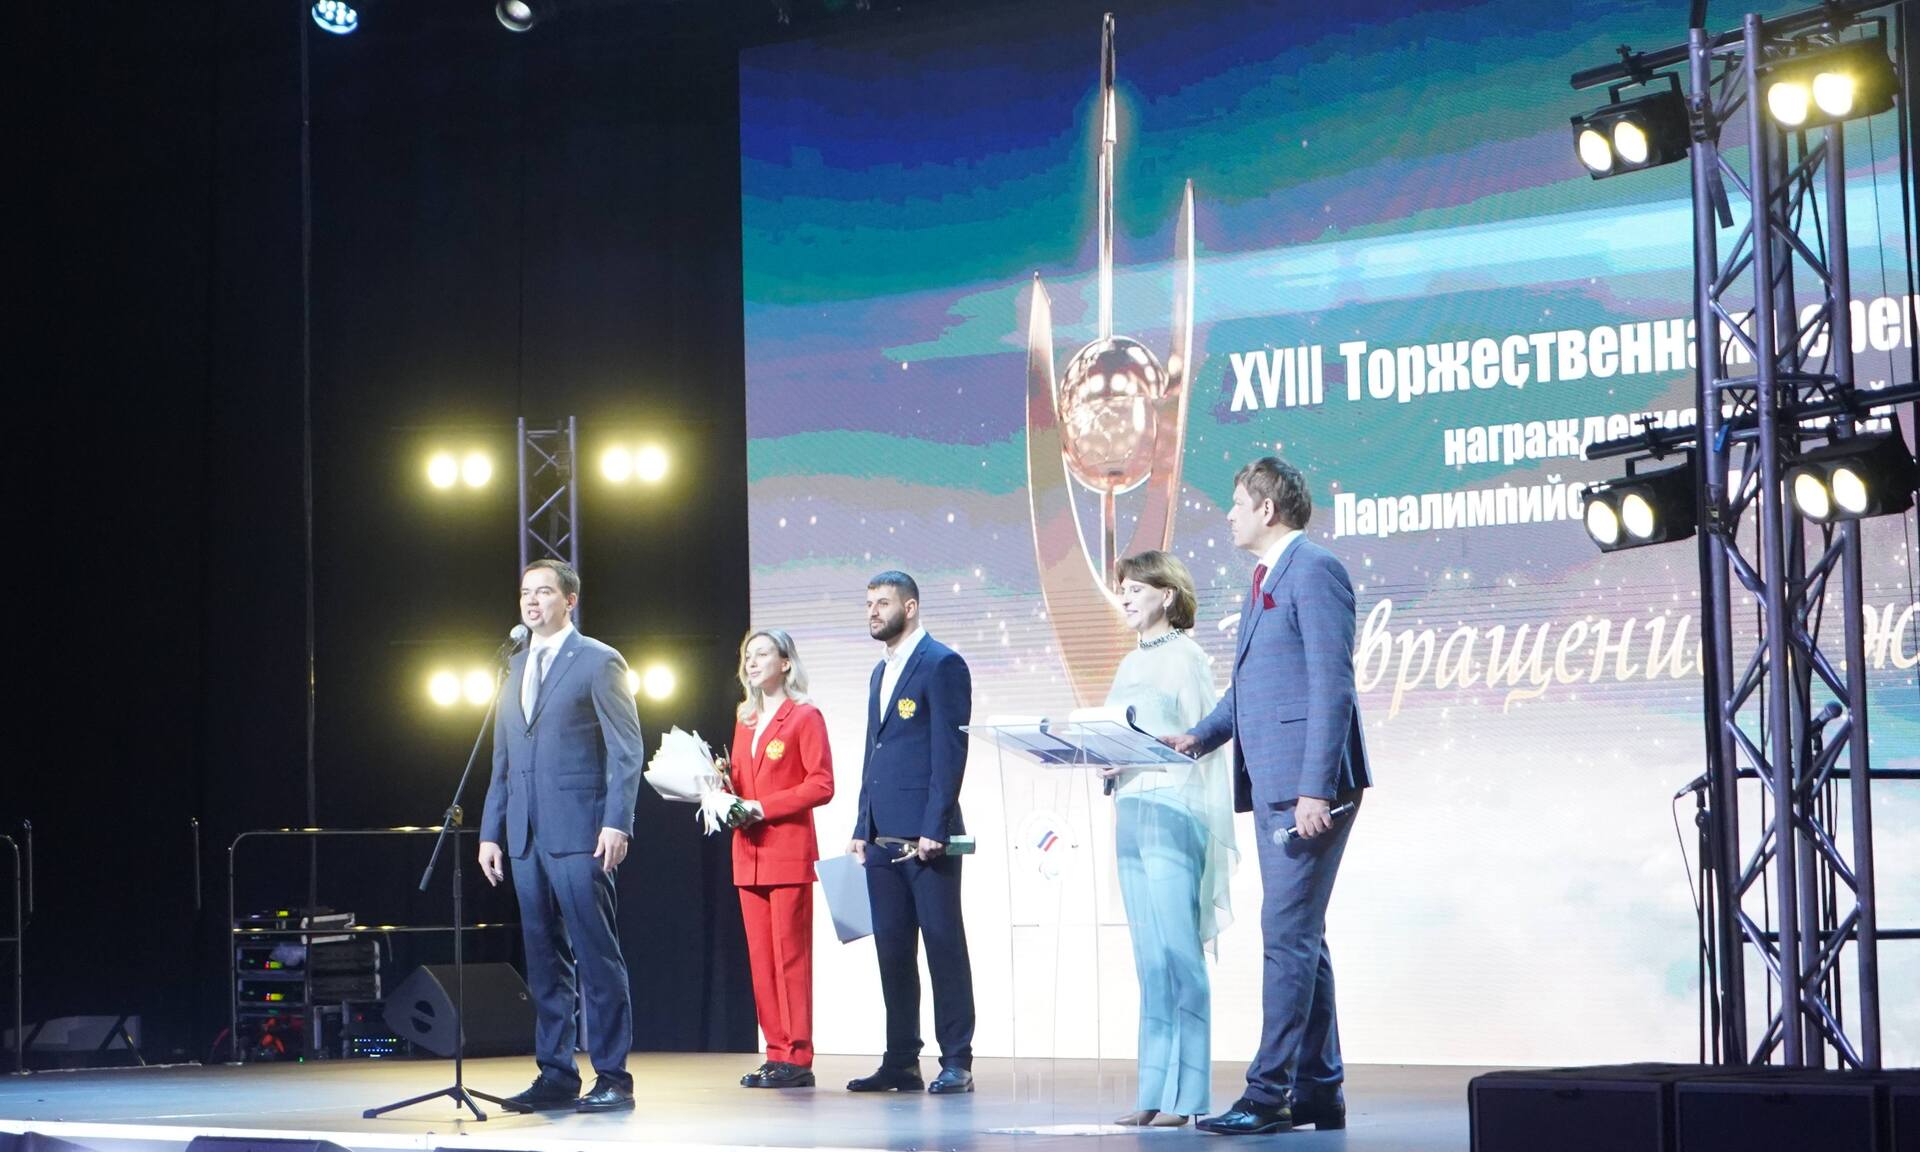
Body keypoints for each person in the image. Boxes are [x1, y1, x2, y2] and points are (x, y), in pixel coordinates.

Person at [1164, 457, 1371, 1135]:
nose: (1227, 514)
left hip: (1308, 787)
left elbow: (1332, 685)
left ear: (1267, 509)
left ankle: (1269, 1092)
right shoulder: (1266, 579)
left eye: (1236, 503)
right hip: (1276, 782)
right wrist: (1199, 736)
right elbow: (1253, 687)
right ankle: (1319, 1090)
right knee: (1301, 935)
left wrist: (1316, 789)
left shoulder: (1314, 570)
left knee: (1286, 934)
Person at [478, 559, 644, 1113]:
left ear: (569, 600)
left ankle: (613, 1076)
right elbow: (502, 759)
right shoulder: (513, 666)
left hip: (581, 831)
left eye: (544, 591)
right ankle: (555, 1073)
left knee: (596, 956)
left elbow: (626, 749)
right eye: (525, 592)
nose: (531, 601)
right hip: (525, 836)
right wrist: (491, 832)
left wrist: (617, 820)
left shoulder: (598, 660)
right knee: (544, 960)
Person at [1100, 550, 1237, 1128]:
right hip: (1132, 810)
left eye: (1136, 588)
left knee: (1180, 953)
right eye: (1123, 589)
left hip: (1175, 811)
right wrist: (1108, 758)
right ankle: (1151, 1091)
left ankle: (1190, 1095)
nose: (1126, 597)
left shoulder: (1187, 657)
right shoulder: (1129, 662)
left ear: (1168, 595)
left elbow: (1203, 741)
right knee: (1149, 958)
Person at [845, 571, 977, 1095]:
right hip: (881, 836)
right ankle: (901, 1060)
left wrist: (935, 825)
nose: (873, 612)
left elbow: (950, 750)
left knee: (943, 946)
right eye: (869, 603)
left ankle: (957, 1059)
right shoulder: (881, 671)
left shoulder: (941, 664)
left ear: (911, 607)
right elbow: (874, 752)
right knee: (893, 951)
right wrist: (862, 824)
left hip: (926, 838)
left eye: (883, 603)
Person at [725, 628, 834, 1089]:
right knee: (761, 961)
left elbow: (821, 784)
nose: (752, 662)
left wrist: (763, 807)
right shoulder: (746, 720)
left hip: (786, 851)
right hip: (748, 853)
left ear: (785, 663)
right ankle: (775, 1052)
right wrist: (717, 790)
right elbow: (739, 781)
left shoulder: (804, 716)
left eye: (762, 654)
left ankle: (798, 1055)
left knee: (791, 957)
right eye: (748, 655)